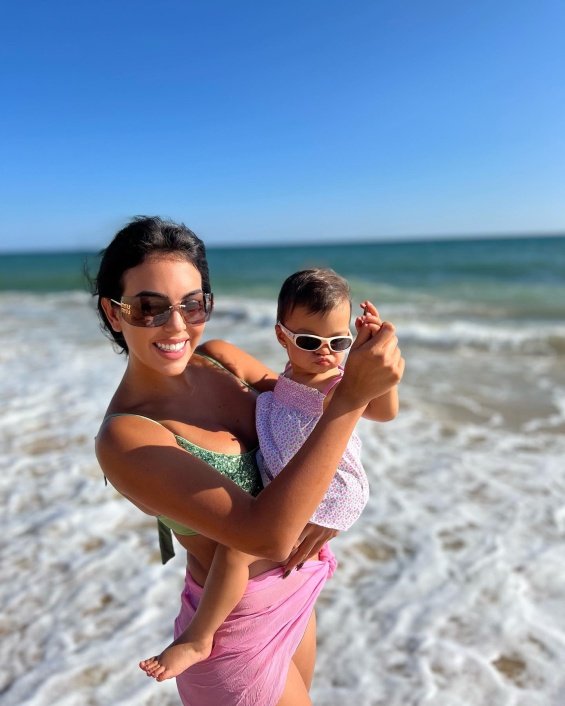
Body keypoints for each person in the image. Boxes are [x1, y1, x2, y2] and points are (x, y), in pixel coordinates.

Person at [93, 216, 404, 706]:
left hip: (296, 591)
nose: (177, 326)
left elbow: (304, 410)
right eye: (149, 308)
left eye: (193, 305)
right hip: (231, 631)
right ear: (115, 313)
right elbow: (268, 535)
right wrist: (350, 401)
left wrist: (368, 370)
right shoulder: (127, 436)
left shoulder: (221, 360)